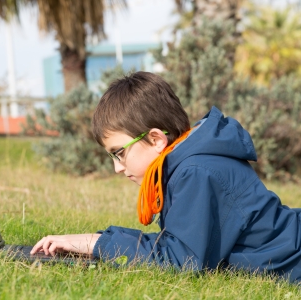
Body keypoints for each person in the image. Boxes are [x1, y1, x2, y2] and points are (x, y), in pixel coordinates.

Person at [30, 71, 301, 282]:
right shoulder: (187, 162)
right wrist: (95, 242)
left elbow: (180, 259)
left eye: (119, 153)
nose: (117, 167)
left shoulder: (196, 171)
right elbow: (177, 244)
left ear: (156, 138)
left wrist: (96, 243)